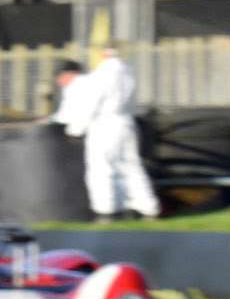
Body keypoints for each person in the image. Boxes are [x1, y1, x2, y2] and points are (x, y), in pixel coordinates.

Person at [54, 46, 159, 223]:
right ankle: (148, 208)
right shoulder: (127, 73)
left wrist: (75, 130)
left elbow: (90, 105)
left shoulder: (100, 76)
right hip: (126, 123)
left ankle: (107, 211)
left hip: (103, 125)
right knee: (132, 167)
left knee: (101, 169)